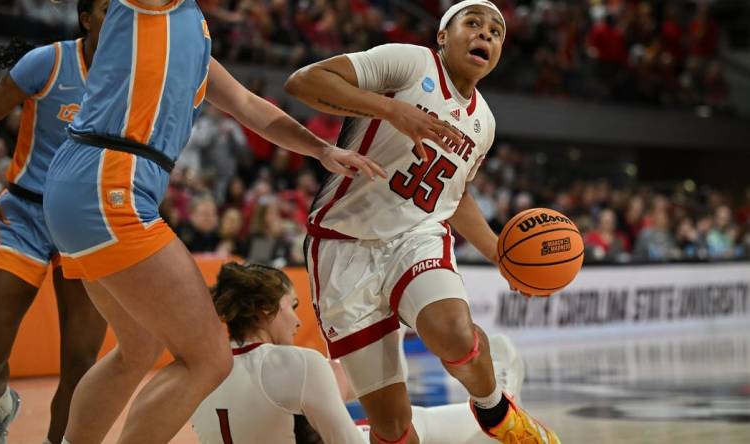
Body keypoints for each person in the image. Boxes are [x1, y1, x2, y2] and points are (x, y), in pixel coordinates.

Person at [39, 0, 386, 441]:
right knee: (209, 359)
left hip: (83, 184)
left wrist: (321, 149)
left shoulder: (192, 32)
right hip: (108, 182)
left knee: (138, 347)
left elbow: (248, 105)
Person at [285, 1, 559, 442]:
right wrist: (390, 109)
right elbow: (304, 81)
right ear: (443, 36)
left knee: (452, 331)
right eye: (473, 24)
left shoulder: (484, 122)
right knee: (392, 427)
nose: (485, 35)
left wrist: (496, 253)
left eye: (495, 32)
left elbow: (454, 194)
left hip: (417, 236)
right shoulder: (410, 62)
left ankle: (496, 413)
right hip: (341, 245)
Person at [0, 1, 109, 442]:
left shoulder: (132, 75)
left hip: (87, 222)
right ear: (86, 18)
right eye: (106, 9)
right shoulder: (50, 61)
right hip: (24, 212)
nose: (118, 17)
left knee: (81, 365)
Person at [192, 262, 526, 444]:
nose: (296, 320)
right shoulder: (297, 363)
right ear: (265, 311)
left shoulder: (199, 372)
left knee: (382, 421)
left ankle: (499, 401)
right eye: (291, 307)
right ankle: (501, 401)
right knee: (404, 425)